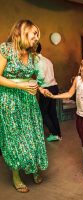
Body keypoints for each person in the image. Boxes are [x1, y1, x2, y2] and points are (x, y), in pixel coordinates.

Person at [0, 19, 48, 193]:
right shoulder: (5, 49)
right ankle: (16, 175)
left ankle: (34, 168)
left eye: (38, 35)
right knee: (15, 139)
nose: (36, 37)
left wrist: (39, 88)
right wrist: (21, 86)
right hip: (10, 101)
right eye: (34, 33)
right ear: (21, 31)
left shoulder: (33, 55)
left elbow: (31, 78)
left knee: (33, 134)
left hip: (29, 101)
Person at [36, 43, 62, 142]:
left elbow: (41, 76)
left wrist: (35, 82)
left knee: (43, 113)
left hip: (46, 88)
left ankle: (54, 134)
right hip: (54, 86)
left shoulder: (37, 61)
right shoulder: (47, 60)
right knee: (52, 112)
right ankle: (59, 134)